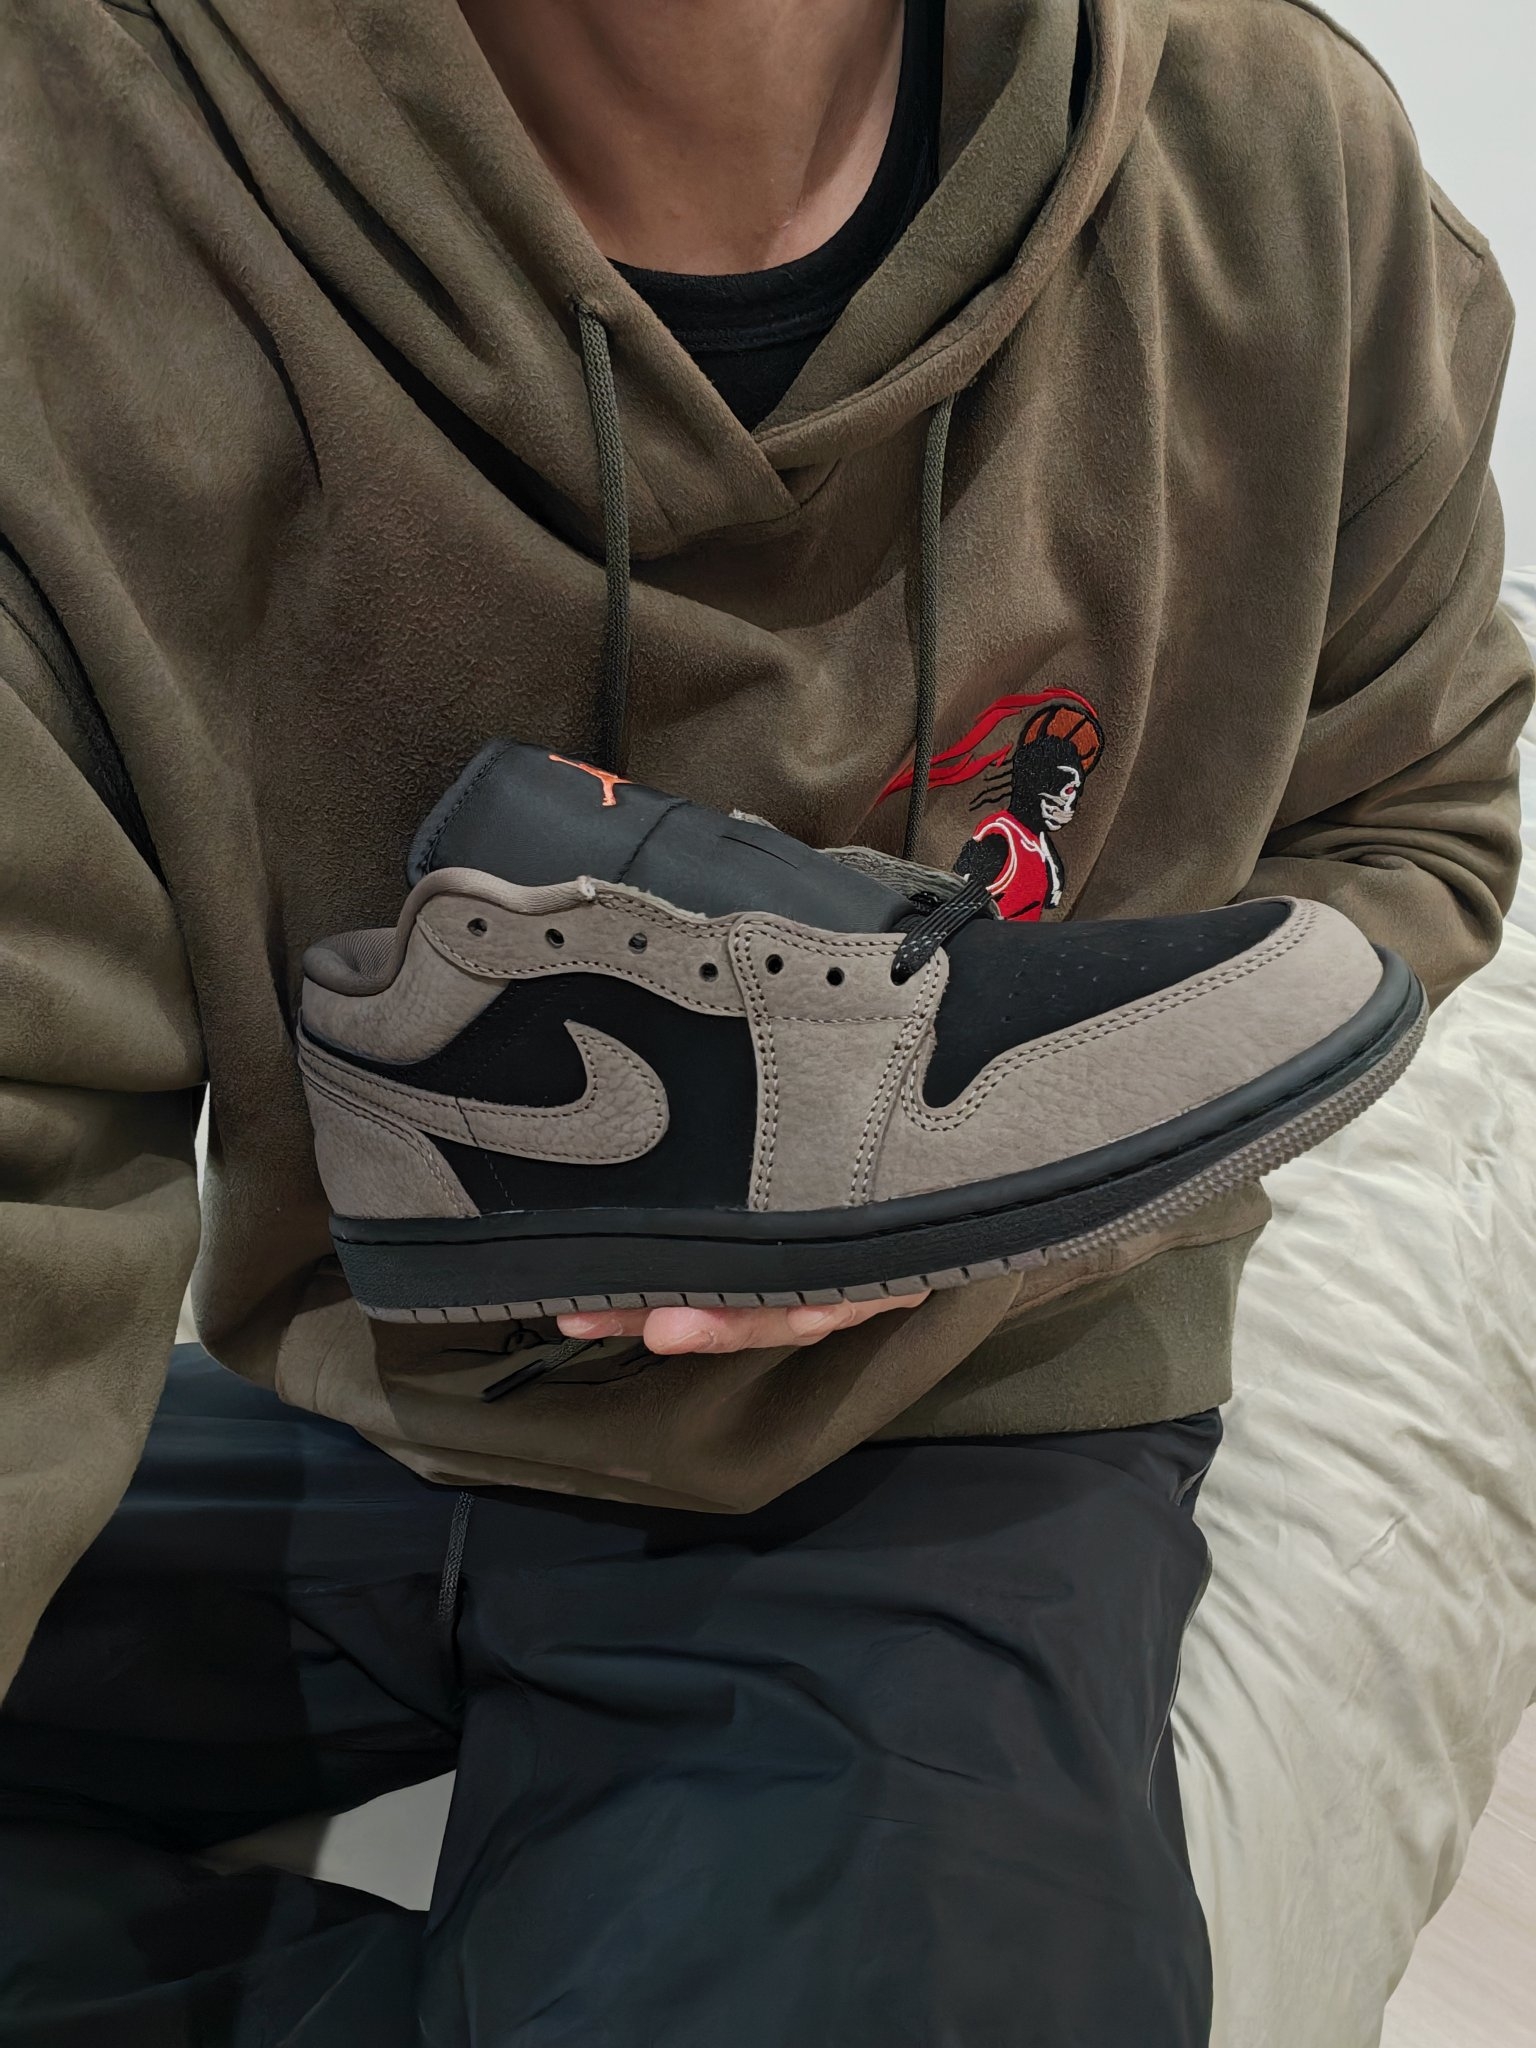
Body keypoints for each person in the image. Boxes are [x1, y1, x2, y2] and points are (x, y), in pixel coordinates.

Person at [0, 0, 1528, 2042]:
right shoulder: (68, 181)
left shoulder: (1291, 168)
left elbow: (1417, 814)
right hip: (364, 1382)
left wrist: (1019, 1178)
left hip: (953, 1422)